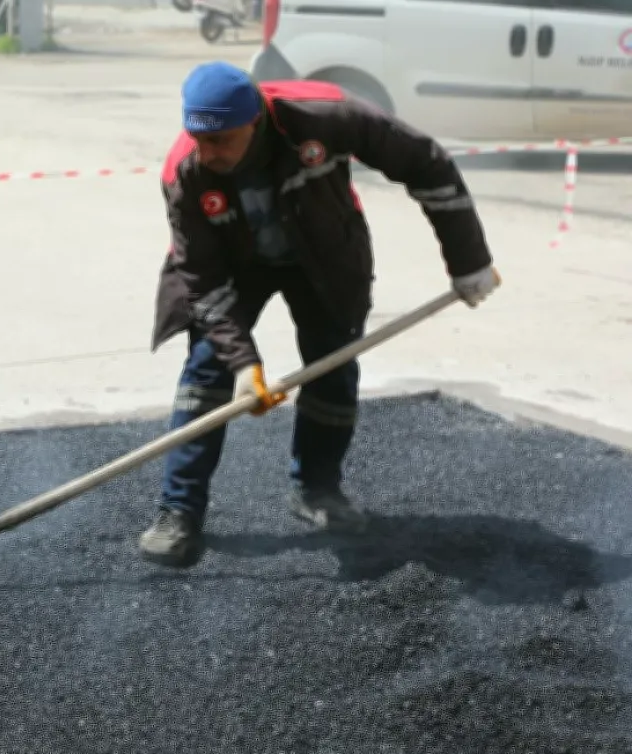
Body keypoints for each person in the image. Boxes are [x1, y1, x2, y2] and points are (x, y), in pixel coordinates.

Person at [140, 61, 501, 566]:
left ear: (255, 120)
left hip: (324, 252)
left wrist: (470, 261)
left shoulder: (325, 118)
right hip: (233, 264)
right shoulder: (187, 172)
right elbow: (201, 278)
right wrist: (246, 365)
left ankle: (318, 490)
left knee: (333, 359)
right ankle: (178, 511)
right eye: (200, 139)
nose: (209, 152)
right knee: (208, 367)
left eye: (222, 139)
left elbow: (427, 162)